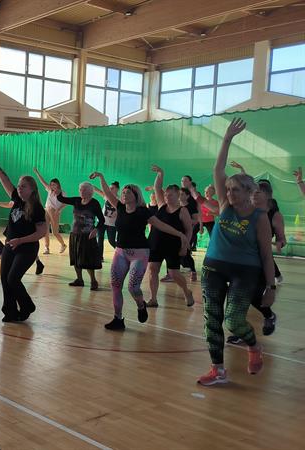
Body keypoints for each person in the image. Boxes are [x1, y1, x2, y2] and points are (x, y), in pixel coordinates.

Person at [196, 118, 275, 386]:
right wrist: (227, 138)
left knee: (233, 320)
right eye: (228, 189)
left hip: (245, 271)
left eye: (235, 190)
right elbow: (218, 169)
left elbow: (267, 255)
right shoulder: (224, 205)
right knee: (212, 318)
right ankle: (217, 370)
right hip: (213, 267)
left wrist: (271, 287)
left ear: (249, 191)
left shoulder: (259, 218)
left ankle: (254, 346)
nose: (229, 193)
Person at [91, 171, 187, 331]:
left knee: (133, 287)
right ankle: (118, 318)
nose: (124, 194)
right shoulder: (120, 207)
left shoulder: (143, 211)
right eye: (123, 192)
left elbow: (161, 225)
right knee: (115, 285)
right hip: (121, 252)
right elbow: (107, 193)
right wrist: (101, 177)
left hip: (139, 253)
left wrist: (180, 234)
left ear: (136, 195)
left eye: (128, 192)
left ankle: (141, 305)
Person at [0, 160, 47, 322]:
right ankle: (10, 311)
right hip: (10, 245)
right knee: (4, 278)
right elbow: (6, 181)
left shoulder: (37, 208)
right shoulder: (17, 199)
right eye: (19, 186)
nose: (19, 188)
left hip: (27, 248)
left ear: (32, 189)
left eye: (23, 186)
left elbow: (41, 232)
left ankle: (27, 306)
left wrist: (20, 240)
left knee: (13, 278)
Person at [227, 179, 284, 342]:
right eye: (252, 192)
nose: (253, 195)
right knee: (238, 297)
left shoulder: (274, 215)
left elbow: (282, 238)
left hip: (260, 263)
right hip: (241, 260)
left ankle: (269, 315)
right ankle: (240, 330)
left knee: (252, 296)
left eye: (257, 192)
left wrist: (279, 243)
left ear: (267, 196)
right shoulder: (245, 210)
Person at [146, 165, 196, 308]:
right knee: (153, 269)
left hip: (173, 246)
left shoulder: (183, 211)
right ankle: (153, 298)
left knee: (174, 273)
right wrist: (161, 173)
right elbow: (157, 188)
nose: (167, 197)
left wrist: (185, 246)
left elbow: (188, 230)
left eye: (170, 195)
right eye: (166, 195)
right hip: (155, 243)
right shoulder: (162, 205)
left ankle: (186, 291)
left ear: (178, 195)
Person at [57, 182, 105, 290]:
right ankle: (79, 279)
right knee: (75, 258)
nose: (81, 192)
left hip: (87, 236)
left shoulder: (94, 203)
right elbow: (61, 199)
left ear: (90, 192)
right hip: (75, 234)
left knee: (88, 260)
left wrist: (96, 229)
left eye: (84, 190)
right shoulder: (76, 200)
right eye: (80, 189)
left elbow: (102, 220)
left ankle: (93, 281)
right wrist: (58, 191)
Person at [33, 168, 67, 255]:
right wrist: (37, 173)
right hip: (47, 210)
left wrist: (58, 210)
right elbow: (42, 181)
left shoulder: (62, 193)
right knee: (45, 230)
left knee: (55, 232)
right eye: (51, 184)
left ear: (58, 185)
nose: (52, 186)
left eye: (54, 184)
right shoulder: (49, 190)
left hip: (55, 212)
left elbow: (65, 203)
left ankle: (63, 245)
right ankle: (47, 247)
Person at [94, 181, 119, 262]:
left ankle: (122, 251)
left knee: (111, 241)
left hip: (112, 224)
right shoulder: (107, 196)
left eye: (112, 188)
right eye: (109, 188)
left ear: (117, 189)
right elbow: (98, 191)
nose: (110, 189)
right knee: (100, 239)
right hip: (102, 221)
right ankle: (100, 257)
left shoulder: (120, 200)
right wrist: (92, 187)